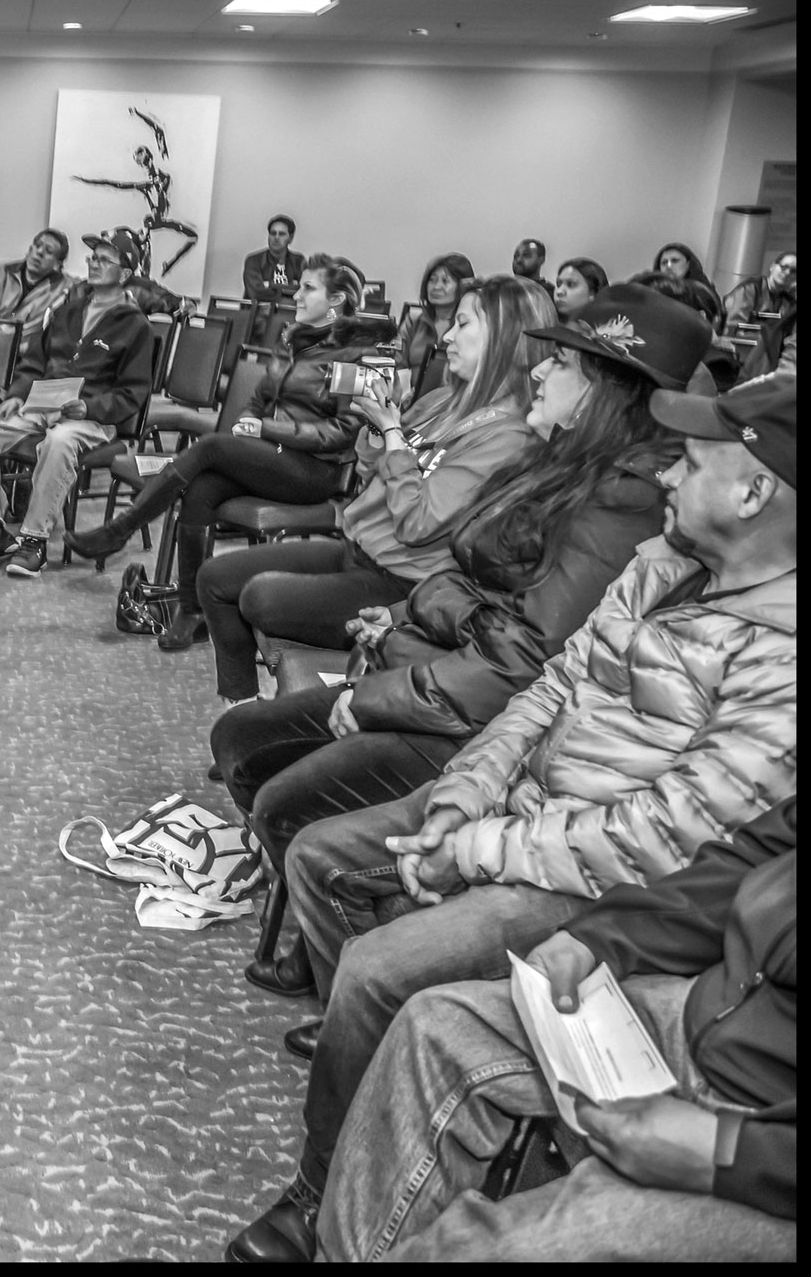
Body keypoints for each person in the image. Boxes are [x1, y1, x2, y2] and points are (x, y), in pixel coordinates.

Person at [225, 367, 797, 1263]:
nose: (668, 479)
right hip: (521, 806)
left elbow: (672, 834)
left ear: (756, 490)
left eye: (689, 462)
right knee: (323, 862)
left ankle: (321, 1194)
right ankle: (361, 1073)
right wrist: (467, 790)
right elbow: (548, 686)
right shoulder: (665, 561)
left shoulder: (784, 651)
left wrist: (482, 850)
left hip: (602, 876)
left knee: (381, 970)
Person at [218, 285, 705, 999]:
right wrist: (415, 616)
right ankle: (326, 924)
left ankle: (344, 957)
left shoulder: (619, 497)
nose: (538, 372)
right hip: (436, 663)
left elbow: (521, 653)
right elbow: (460, 572)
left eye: (563, 364)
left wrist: (383, 688)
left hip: (470, 715)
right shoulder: (555, 460)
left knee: (278, 795)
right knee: (243, 741)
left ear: (611, 393)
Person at [316, 798, 794, 1261]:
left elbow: (657, 822)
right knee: (437, 1023)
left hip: (769, 1148)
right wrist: (597, 937)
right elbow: (751, 860)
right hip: (726, 1004)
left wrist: (733, 1154)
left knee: (493, 1248)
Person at [198, 276, 552, 706]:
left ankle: (315, 704)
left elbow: (418, 522)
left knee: (259, 597)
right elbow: (369, 470)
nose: (447, 337)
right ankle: (242, 706)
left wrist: (393, 431)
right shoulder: (443, 400)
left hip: (403, 583)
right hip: (357, 550)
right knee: (216, 579)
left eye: (462, 324)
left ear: (504, 337)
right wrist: (377, 425)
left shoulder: (509, 437)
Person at [67, 253, 393, 651]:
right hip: (274, 456)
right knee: (202, 488)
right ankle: (192, 610)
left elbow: (342, 433)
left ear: (337, 300)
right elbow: (257, 400)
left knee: (212, 446)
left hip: (318, 472)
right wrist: (251, 424)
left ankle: (121, 529)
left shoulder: (356, 357)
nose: (297, 294)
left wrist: (266, 429)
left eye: (308, 288)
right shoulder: (295, 343)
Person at [0, 239, 160, 576]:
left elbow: (132, 393)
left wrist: (90, 407)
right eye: (92, 257)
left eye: (104, 260)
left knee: (60, 441)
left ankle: (34, 542)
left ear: (124, 273)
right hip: (41, 406)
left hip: (90, 419)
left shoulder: (136, 326)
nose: (93, 263)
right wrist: (17, 396)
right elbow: (35, 362)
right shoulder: (68, 311)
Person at [0, 227, 77, 389]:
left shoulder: (68, 287)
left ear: (58, 264)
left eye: (48, 251)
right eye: (37, 245)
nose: (39, 253)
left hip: (28, 362)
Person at [394, 251, 473, 381]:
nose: (436, 287)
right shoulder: (414, 321)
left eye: (445, 281)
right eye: (432, 280)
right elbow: (398, 364)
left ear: (461, 286)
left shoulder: (467, 326)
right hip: (411, 397)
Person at [653, 241, 725, 329]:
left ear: (688, 264)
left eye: (675, 261)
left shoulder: (700, 291)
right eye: (664, 262)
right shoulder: (652, 290)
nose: (668, 266)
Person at [241, 214, 304, 304]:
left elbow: (306, 290)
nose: (276, 238)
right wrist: (289, 290)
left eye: (281, 234)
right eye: (273, 233)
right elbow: (256, 293)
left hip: (289, 314)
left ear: (290, 238)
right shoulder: (253, 260)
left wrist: (270, 285)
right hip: (258, 314)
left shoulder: (299, 261)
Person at [724, 250, 796, 326]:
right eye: (784, 267)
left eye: (793, 271)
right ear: (772, 267)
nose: (787, 273)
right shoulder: (749, 289)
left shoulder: (788, 299)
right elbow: (734, 325)